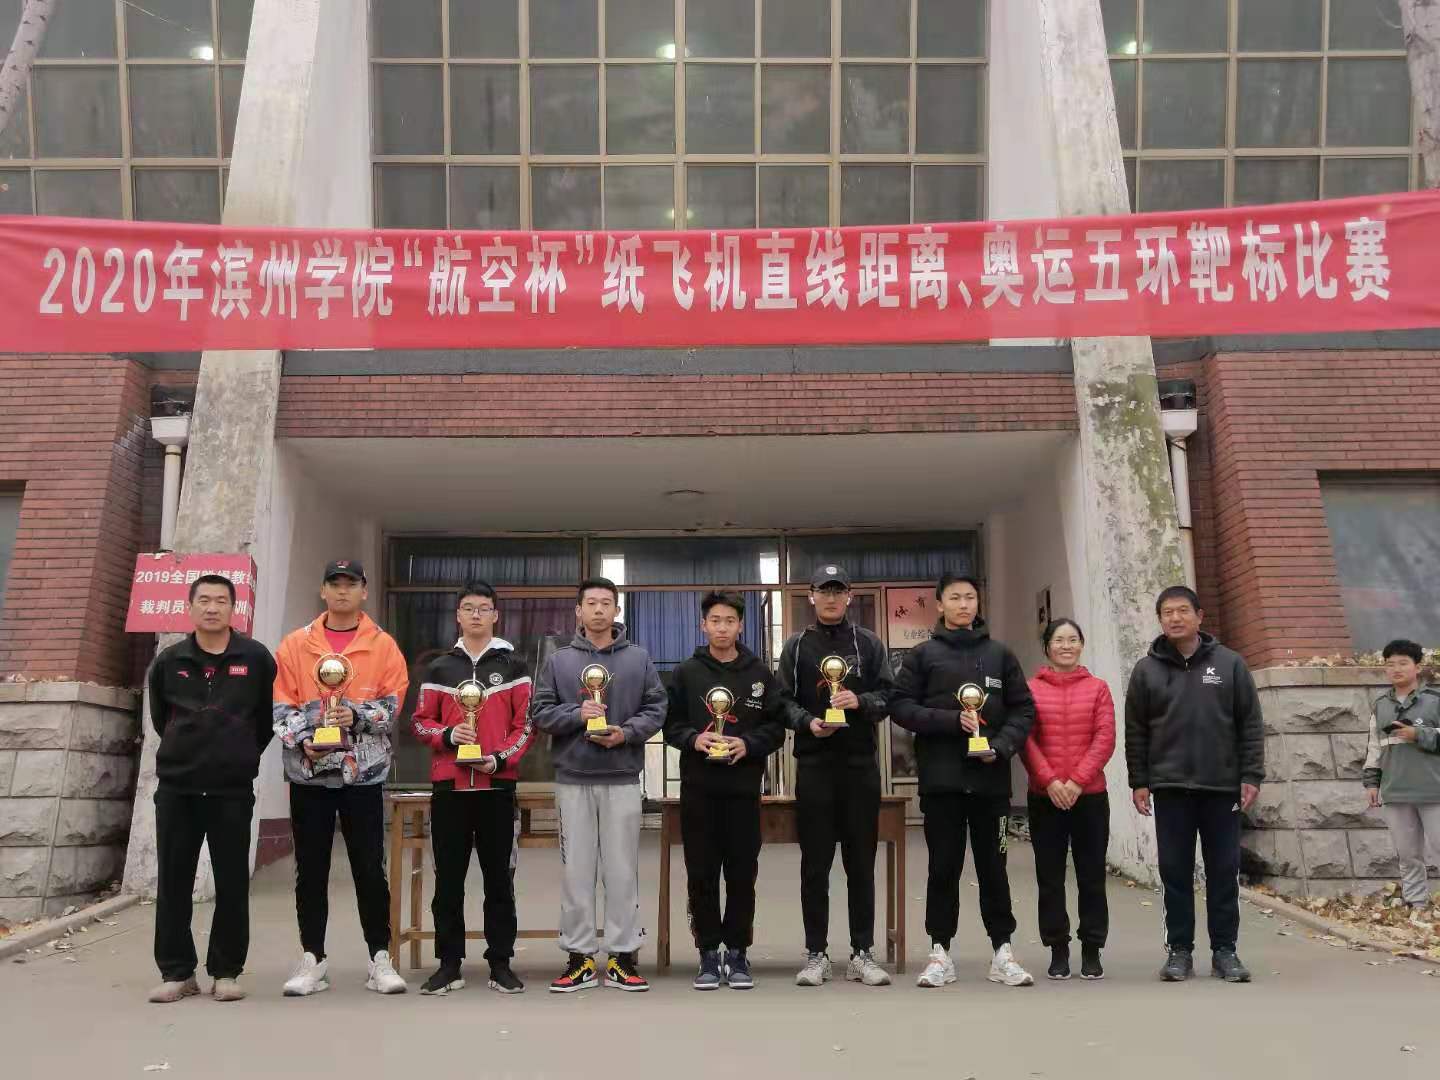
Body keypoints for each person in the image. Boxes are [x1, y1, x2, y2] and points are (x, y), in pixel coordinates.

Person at [272, 559, 411, 996]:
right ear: (323, 590)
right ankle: (312, 958)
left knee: (369, 867)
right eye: (335, 583)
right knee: (310, 869)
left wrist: (357, 715)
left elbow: (392, 705)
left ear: (364, 591)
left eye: (351, 584)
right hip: (309, 774)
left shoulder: (383, 645)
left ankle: (380, 958)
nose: (343, 591)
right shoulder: (296, 645)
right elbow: (280, 703)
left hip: (363, 775)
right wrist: (304, 739)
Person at [891, 573, 1036, 989]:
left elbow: (1024, 710)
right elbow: (900, 706)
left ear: (978, 603)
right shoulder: (923, 656)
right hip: (942, 784)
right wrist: (950, 721)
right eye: (954, 598)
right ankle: (940, 953)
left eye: (970, 597)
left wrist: (1000, 747)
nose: (963, 604)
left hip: (991, 784)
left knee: (995, 869)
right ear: (939, 605)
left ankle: (1003, 952)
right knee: (943, 868)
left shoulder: (1000, 655)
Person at [531, 577, 667, 993]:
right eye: (591, 603)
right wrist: (577, 714)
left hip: (621, 777)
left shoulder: (638, 659)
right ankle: (580, 957)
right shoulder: (559, 661)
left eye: (606, 603)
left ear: (616, 611)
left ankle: (623, 956)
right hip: (573, 779)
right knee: (577, 871)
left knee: (622, 871)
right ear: (578, 611)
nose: (598, 610)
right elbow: (540, 712)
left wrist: (625, 733)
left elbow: (656, 707)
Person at [146, 574, 277, 1004]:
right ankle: (177, 972)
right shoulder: (170, 660)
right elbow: (161, 718)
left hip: (231, 790)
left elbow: (265, 721)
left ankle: (226, 971)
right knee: (174, 882)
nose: (212, 608)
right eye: (204, 600)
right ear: (190, 607)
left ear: (233, 608)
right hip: (178, 789)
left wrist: (238, 753)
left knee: (232, 882)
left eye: (221, 600)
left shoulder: (255, 658)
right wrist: (187, 749)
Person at [1126, 585, 1264, 984]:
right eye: (1167, 612)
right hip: (1170, 788)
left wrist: (1251, 775)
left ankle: (1225, 951)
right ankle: (1179, 951)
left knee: (1224, 871)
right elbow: (1136, 731)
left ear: (1199, 616)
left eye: (1182, 610)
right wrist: (1139, 781)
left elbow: (1250, 725)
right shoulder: (1146, 670)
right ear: (1160, 620)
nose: (1175, 618)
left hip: (1221, 788)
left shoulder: (1230, 664)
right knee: (1175, 872)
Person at [410, 580, 534, 996]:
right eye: (468, 608)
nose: (476, 614)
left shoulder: (514, 666)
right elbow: (420, 722)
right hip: (450, 788)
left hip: (498, 788)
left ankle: (501, 963)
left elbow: (525, 725)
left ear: (496, 615)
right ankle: (449, 965)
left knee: (500, 881)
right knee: (448, 882)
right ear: (458, 616)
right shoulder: (440, 668)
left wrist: (499, 760)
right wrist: (447, 737)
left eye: (483, 608)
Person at [777, 565, 895, 988]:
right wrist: (807, 722)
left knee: (861, 863)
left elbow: (890, 696)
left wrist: (859, 702)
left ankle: (862, 953)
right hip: (815, 766)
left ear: (849, 596)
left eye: (837, 591)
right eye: (823, 591)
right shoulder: (796, 646)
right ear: (810, 596)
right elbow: (781, 701)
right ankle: (817, 954)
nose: (830, 598)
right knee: (816, 865)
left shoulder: (869, 643)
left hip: (860, 766)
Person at [662, 590, 786, 991]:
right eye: (715, 620)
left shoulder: (759, 673)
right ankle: (707, 953)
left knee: (741, 872)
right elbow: (670, 724)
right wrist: (694, 739)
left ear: (740, 625)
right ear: (703, 625)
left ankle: (737, 951)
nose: (722, 628)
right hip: (699, 789)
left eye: (729, 621)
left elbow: (776, 728)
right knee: (701, 873)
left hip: (743, 789)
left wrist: (748, 744)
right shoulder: (686, 673)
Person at [1022, 618, 1115, 981]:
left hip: (1089, 797)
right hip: (1044, 798)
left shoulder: (1098, 689)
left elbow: (1105, 738)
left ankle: (1092, 948)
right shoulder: (1030, 690)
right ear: (1047, 646)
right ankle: (1057, 948)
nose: (1066, 646)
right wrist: (1049, 781)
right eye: (1059, 640)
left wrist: (1076, 782)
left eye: (1073, 639)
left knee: (1091, 876)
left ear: (1081, 645)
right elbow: (1026, 739)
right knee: (1050, 877)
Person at [1363, 639, 1440, 908]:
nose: (1396, 669)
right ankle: (1417, 905)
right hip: (1395, 791)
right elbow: (1374, 747)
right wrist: (1371, 783)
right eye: (1390, 664)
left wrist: (1418, 734)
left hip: (1434, 790)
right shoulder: (1380, 705)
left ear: (1417, 667)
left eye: (1403, 663)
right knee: (1407, 855)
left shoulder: (1435, 701)